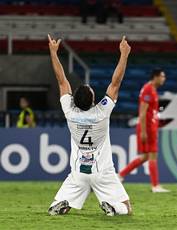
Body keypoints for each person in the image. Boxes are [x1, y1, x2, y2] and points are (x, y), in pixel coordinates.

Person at [47, 34, 132, 216]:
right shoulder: (102, 112)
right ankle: (112, 207)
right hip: (103, 172)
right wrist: (124, 55)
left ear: (74, 100)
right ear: (93, 99)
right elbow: (115, 83)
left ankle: (63, 204)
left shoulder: (69, 112)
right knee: (126, 207)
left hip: (79, 171)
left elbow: (61, 80)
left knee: (60, 202)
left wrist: (53, 53)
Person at [118, 68, 169, 193]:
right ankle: (155, 186)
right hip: (148, 127)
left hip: (150, 126)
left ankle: (120, 175)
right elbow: (142, 111)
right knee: (152, 155)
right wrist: (143, 131)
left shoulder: (152, 89)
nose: (164, 79)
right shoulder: (148, 89)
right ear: (155, 77)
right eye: (162, 76)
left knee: (145, 156)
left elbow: (151, 111)